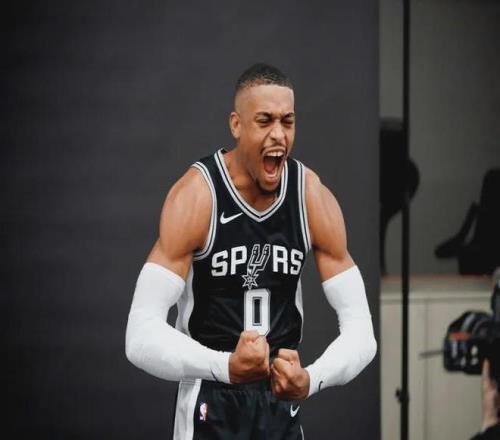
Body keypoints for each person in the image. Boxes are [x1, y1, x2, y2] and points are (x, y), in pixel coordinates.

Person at [125, 63, 377, 440]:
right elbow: (139, 335)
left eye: (287, 122)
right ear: (236, 124)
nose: (278, 134)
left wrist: (312, 379)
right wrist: (225, 366)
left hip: (279, 401)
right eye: (264, 121)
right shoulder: (198, 196)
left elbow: (362, 333)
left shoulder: (309, 196)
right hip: (210, 398)